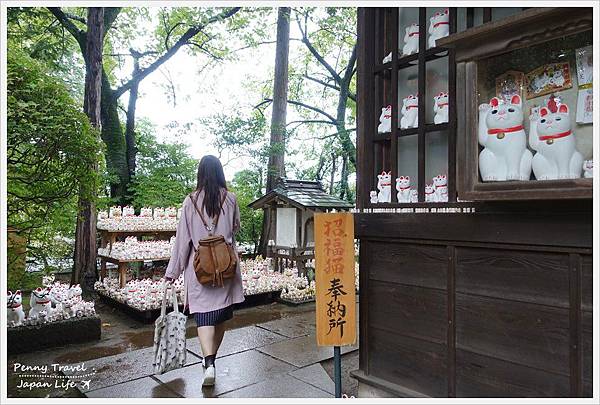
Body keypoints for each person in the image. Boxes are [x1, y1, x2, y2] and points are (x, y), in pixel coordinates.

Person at [164, 155, 244, 387]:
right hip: (225, 266)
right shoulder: (230, 199)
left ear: (200, 173)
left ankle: (209, 363)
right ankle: (211, 360)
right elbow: (235, 227)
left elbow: (183, 241)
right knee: (220, 316)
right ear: (220, 173)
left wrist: (172, 273)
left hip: (200, 269)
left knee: (203, 317)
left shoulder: (190, 201)